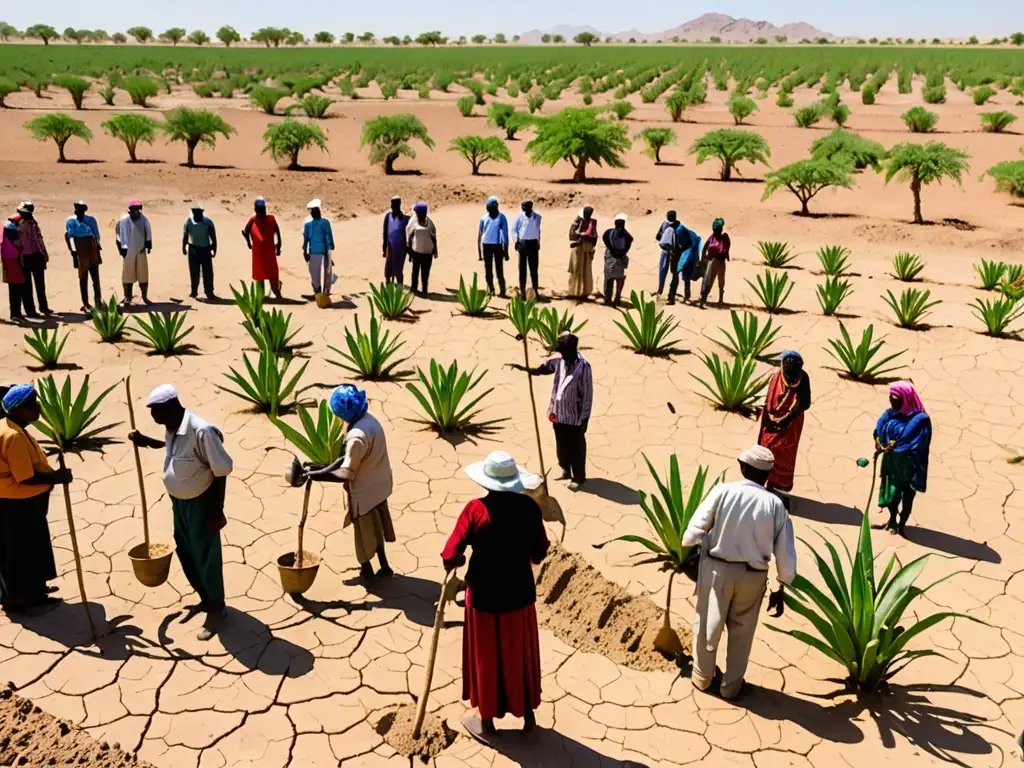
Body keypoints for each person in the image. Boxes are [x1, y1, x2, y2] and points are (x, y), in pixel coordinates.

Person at [441, 451, 550, 743]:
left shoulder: (475, 510)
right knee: (520, 656)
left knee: (486, 658)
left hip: (484, 598)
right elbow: (540, 551)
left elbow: (450, 553)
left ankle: (487, 722)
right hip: (520, 596)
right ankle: (528, 718)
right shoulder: (529, 508)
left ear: (487, 482)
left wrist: (457, 560)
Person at [683, 445, 796, 700]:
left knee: (706, 623)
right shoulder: (776, 506)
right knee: (742, 632)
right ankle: (731, 687)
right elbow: (786, 556)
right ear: (767, 475)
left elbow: (692, 532)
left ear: (743, 468)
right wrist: (781, 586)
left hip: (716, 570)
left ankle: (702, 677)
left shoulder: (723, 491)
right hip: (753, 577)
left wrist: (688, 553)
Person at [129, 385, 233, 640]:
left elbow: (221, 471)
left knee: (206, 555)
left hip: (202, 504)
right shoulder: (172, 427)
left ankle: (217, 608)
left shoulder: (201, 431)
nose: (154, 417)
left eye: (156, 411)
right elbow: (174, 453)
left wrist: (216, 512)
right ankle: (205, 599)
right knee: (186, 551)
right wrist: (145, 442)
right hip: (180, 504)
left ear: (172, 406)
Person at [305, 385, 396, 581]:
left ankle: (366, 571)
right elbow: (350, 458)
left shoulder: (356, 437)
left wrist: (316, 475)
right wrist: (320, 468)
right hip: (380, 485)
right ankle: (385, 566)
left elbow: (346, 473)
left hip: (364, 493)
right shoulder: (369, 421)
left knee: (363, 535)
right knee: (378, 528)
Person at [0, 384, 71, 612]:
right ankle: (19, 598)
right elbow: (25, 478)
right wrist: (58, 477)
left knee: (31, 546)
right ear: (19, 409)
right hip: (18, 503)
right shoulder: (14, 436)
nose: (38, 408)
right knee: (20, 550)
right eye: (33, 405)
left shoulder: (11, 426)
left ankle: (34, 590)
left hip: (22, 502)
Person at [506, 333, 593, 486]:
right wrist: (525, 369)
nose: (561, 355)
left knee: (576, 448)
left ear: (571, 350)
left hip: (575, 417)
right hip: (558, 413)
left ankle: (578, 477)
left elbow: (587, 393)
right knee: (561, 446)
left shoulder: (584, 367)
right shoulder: (559, 362)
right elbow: (543, 369)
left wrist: (584, 418)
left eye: (563, 352)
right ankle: (565, 470)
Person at [873, 382, 931, 537]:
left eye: (896, 398)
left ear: (905, 398)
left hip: (909, 465)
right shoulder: (890, 414)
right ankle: (892, 519)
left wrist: (896, 445)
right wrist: (878, 439)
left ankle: (902, 525)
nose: (892, 401)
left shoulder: (920, 419)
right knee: (892, 492)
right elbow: (878, 428)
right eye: (890, 398)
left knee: (906, 495)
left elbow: (913, 439)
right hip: (892, 462)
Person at [757, 351, 811, 495]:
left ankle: (778, 487)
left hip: (791, 424)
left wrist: (786, 418)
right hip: (772, 421)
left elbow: (804, 402)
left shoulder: (802, 378)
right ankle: (765, 481)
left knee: (783, 453)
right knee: (768, 448)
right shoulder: (777, 377)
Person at [12, 202, 51, 316]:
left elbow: (39, 239)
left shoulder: (33, 223)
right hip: (25, 257)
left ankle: (43, 307)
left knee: (39, 284)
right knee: (27, 285)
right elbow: (17, 243)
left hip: (36, 255)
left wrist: (44, 253)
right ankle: (31, 310)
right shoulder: (19, 225)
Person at [242, 197, 283, 299]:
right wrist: (249, 243)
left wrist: (278, 246)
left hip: (269, 252)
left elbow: (278, 232)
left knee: (272, 273)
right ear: (256, 210)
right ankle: (262, 295)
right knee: (260, 274)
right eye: (260, 209)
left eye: (263, 209)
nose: (262, 211)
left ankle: (276, 293)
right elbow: (245, 232)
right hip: (259, 253)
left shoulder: (270, 219)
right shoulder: (253, 220)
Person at [116, 200, 153, 306]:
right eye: (134, 210)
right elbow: (118, 235)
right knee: (128, 275)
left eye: (138, 210)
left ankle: (144, 297)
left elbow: (148, 232)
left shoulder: (144, 220)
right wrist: (121, 249)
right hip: (128, 251)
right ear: (130, 211)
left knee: (143, 274)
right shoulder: (123, 220)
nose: (137, 212)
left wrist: (148, 245)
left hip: (141, 250)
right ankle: (127, 297)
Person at [182, 203, 218, 301]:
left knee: (208, 273)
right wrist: (183, 247)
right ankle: (194, 291)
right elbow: (185, 235)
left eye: (199, 212)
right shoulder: (188, 222)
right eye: (195, 212)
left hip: (205, 250)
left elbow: (213, 237)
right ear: (193, 212)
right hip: (193, 250)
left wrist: (214, 249)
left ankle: (209, 292)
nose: (197, 214)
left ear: (202, 212)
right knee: (194, 272)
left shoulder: (207, 222)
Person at [2, 219, 36, 320]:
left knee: (14, 291)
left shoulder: (6, 239)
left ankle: (15, 313)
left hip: (11, 265)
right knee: (16, 290)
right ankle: (16, 314)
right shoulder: (13, 239)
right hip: (13, 265)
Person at [477, 197, 509, 297]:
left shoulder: (501, 217)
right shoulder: (483, 218)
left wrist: (506, 251)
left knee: (499, 269)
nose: (487, 209)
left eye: (489, 207)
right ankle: (491, 289)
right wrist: (479, 253)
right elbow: (479, 235)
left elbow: (505, 235)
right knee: (488, 269)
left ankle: (502, 290)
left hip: (497, 245)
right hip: (486, 245)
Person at [302, 199, 334, 298]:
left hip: (314, 251)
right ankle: (324, 292)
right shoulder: (325, 222)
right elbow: (328, 236)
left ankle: (318, 292)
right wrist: (330, 250)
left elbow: (306, 240)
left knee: (315, 273)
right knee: (327, 272)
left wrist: (305, 252)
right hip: (323, 250)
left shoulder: (308, 225)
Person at [666, 220, 702, 305]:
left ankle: (677, 297)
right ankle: (682, 297)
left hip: (686, 257)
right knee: (684, 278)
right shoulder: (679, 229)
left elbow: (686, 245)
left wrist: (677, 250)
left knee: (683, 277)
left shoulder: (680, 231)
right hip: (685, 257)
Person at [406, 202, 437, 296]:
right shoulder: (413, 222)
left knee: (425, 273)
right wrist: (410, 252)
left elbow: (434, 237)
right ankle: (414, 289)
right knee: (415, 272)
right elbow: (409, 236)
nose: (421, 215)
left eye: (423, 214)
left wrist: (435, 251)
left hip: (427, 253)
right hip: (416, 252)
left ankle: (424, 290)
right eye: (419, 214)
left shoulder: (430, 223)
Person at [512, 200, 542, 299]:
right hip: (523, 244)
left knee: (534, 269)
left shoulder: (537, 217)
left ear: (530, 207)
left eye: (524, 207)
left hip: (533, 244)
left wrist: (538, 241)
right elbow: (514, 230)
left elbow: (538, 230)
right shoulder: (519, 217)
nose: (522, 209)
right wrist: (516, 242)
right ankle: (522, 292)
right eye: (522, 207)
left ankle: (535, 291)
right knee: (522, 269)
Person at [698, 218, 731, 309]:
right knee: (708, 281)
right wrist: (703, 259)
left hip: (719, 262)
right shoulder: (712, 237)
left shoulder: (724, 237)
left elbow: (725, 249)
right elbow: (705, 248)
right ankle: (703, 299)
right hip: (712, 261)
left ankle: (720, 299)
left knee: (721, 281)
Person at [602, 214, 633, 307]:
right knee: (616, 279)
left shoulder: (610, 232)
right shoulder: (623, 233)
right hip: (617, 257)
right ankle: (614, 298)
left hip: (613, 257)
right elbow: (630, 239)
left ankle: (610, 299)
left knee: (610, 278)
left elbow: (605, 238)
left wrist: (616, 250)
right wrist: (622, 252)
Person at [567, 206, 598, 300]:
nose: (588, 215)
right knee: (576, 268)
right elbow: (571, 234)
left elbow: (594, 236)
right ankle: (574, 291)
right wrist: (581, 235)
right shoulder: (578, 220)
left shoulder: (593, 222)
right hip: (578, 248)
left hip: (587, 248)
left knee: (586, 269)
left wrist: (586, 237)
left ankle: (585, 292)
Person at [382, 196, 410, 285]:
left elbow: (409, 235)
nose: (393, 206)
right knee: (388, 269)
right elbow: (385, 232)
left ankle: (399, 288)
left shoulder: (406, 219)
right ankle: (388, 286)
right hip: (390, 246)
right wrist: (384, 247)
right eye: (392, 204)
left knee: (398, 269)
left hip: (401, 249)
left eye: (396, 204)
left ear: (399, 204)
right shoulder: (388, 216)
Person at [655, 210, 678, 296]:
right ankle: (672, 293)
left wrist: (664, 236)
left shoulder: (664, 224)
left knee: (662, 271)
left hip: (665, 251)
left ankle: (660, 290)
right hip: (674, 253)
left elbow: (657, 237)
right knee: (674, 273)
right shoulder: (678, 225)